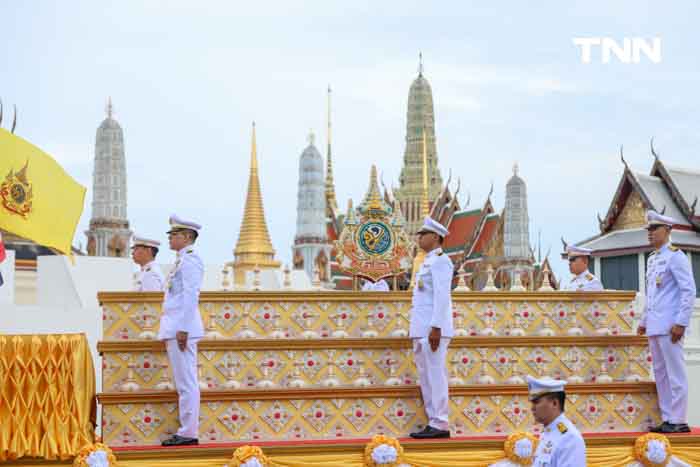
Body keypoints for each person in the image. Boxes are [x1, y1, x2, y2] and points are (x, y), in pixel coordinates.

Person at [638, 210, 695, 434]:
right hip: (655, 325)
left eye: (654, 229)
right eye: (649, 230)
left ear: (668, 231)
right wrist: (644, 320)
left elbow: (688, 291)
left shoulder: (676, 256)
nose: (650, 234)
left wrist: (681, 322)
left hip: (671, 326)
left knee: (675, 373)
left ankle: (679, 418)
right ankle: (668, 417)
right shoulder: (652, 260)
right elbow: (652, 295)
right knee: (660, 374)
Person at [159, 215, 205, 446]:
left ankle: (189, 432)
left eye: (175, 235)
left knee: (187, 382)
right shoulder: (181, 260)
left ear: (187, 237)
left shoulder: (190, 260)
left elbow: (190, 296)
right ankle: (187, 429)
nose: (171, 238)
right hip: (175, 327)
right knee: (183, 382)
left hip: (182, 329)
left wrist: (184, 329)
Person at [409, 217, 453, 439]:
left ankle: (441, 422)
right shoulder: (427, 262)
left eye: (423, 234)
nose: (419, 237)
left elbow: (442, 296)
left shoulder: (441, 261)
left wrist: (436, 327)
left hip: (432, 329)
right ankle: (433, 421)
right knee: (426, 376)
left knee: (435, 375)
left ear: (435, 237)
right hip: (422, 328)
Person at [528, 376, 586, 467]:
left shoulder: (569, 438)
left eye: (536, 402)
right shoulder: (547, 433)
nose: (532, 408)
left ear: (554, 403)